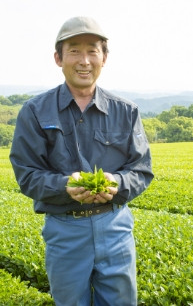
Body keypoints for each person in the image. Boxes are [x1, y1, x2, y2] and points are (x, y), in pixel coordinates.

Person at [9, 16, 153, 306]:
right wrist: (65, 186)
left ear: (104, 58)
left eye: (92, 51)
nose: (84, 60)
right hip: (65, 228)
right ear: (58, 58)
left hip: (115, 225)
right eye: (74, 50)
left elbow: (141, 170)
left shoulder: (126, 111)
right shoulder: (35, 111)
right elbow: (27, 174)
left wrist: (118, 182)